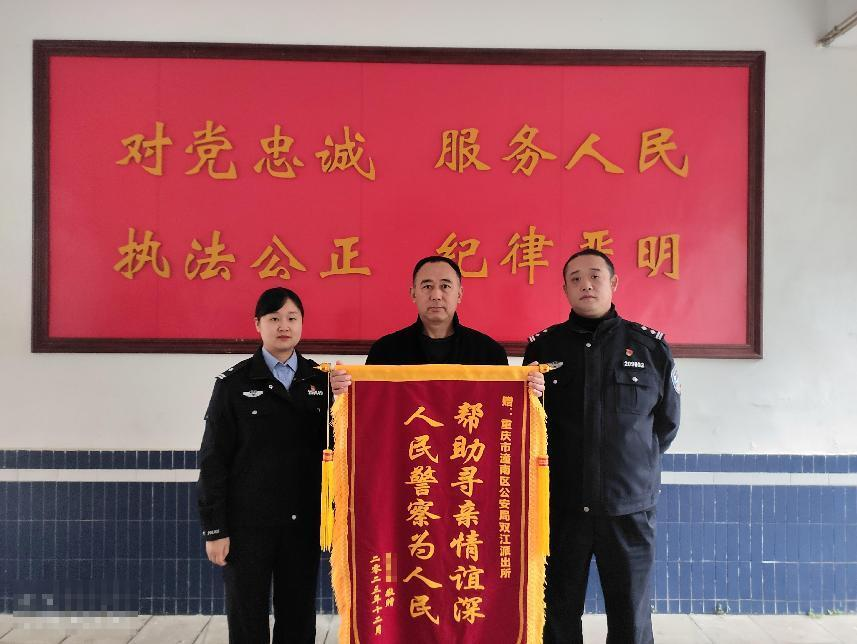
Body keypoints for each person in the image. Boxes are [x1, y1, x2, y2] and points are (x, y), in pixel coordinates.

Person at [524, 249, 680, 644]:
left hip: (628, 509)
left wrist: (629, 469)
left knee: (631, 619)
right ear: (564, 289)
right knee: (557, 617)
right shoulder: (544, 349)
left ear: (613, 283)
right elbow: (529, 423)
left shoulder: (649, 347)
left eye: (595, 276)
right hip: (561, 508)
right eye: (575, 279)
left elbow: (665, 424)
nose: (586, 285)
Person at [197, 287, 329, 644]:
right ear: (258, 324)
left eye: (292, 318)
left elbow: (338, 446)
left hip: (302, 523)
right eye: (274, 318)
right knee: (247, 618)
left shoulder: (321, 380)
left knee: (298, 618)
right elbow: (213, 459)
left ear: (302, 323)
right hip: (246, 526)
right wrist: (215, 529)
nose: (284, 326)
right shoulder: (233, 384)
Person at [331, 255, 544, 394]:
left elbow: (503, 413)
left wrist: (527, 389)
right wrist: (343, 391)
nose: (436, 295)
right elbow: (370, 410)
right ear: (413, 294)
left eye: (445, 286)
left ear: (459, 294)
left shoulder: (488, 353)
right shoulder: (385, 351)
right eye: (427, 286)